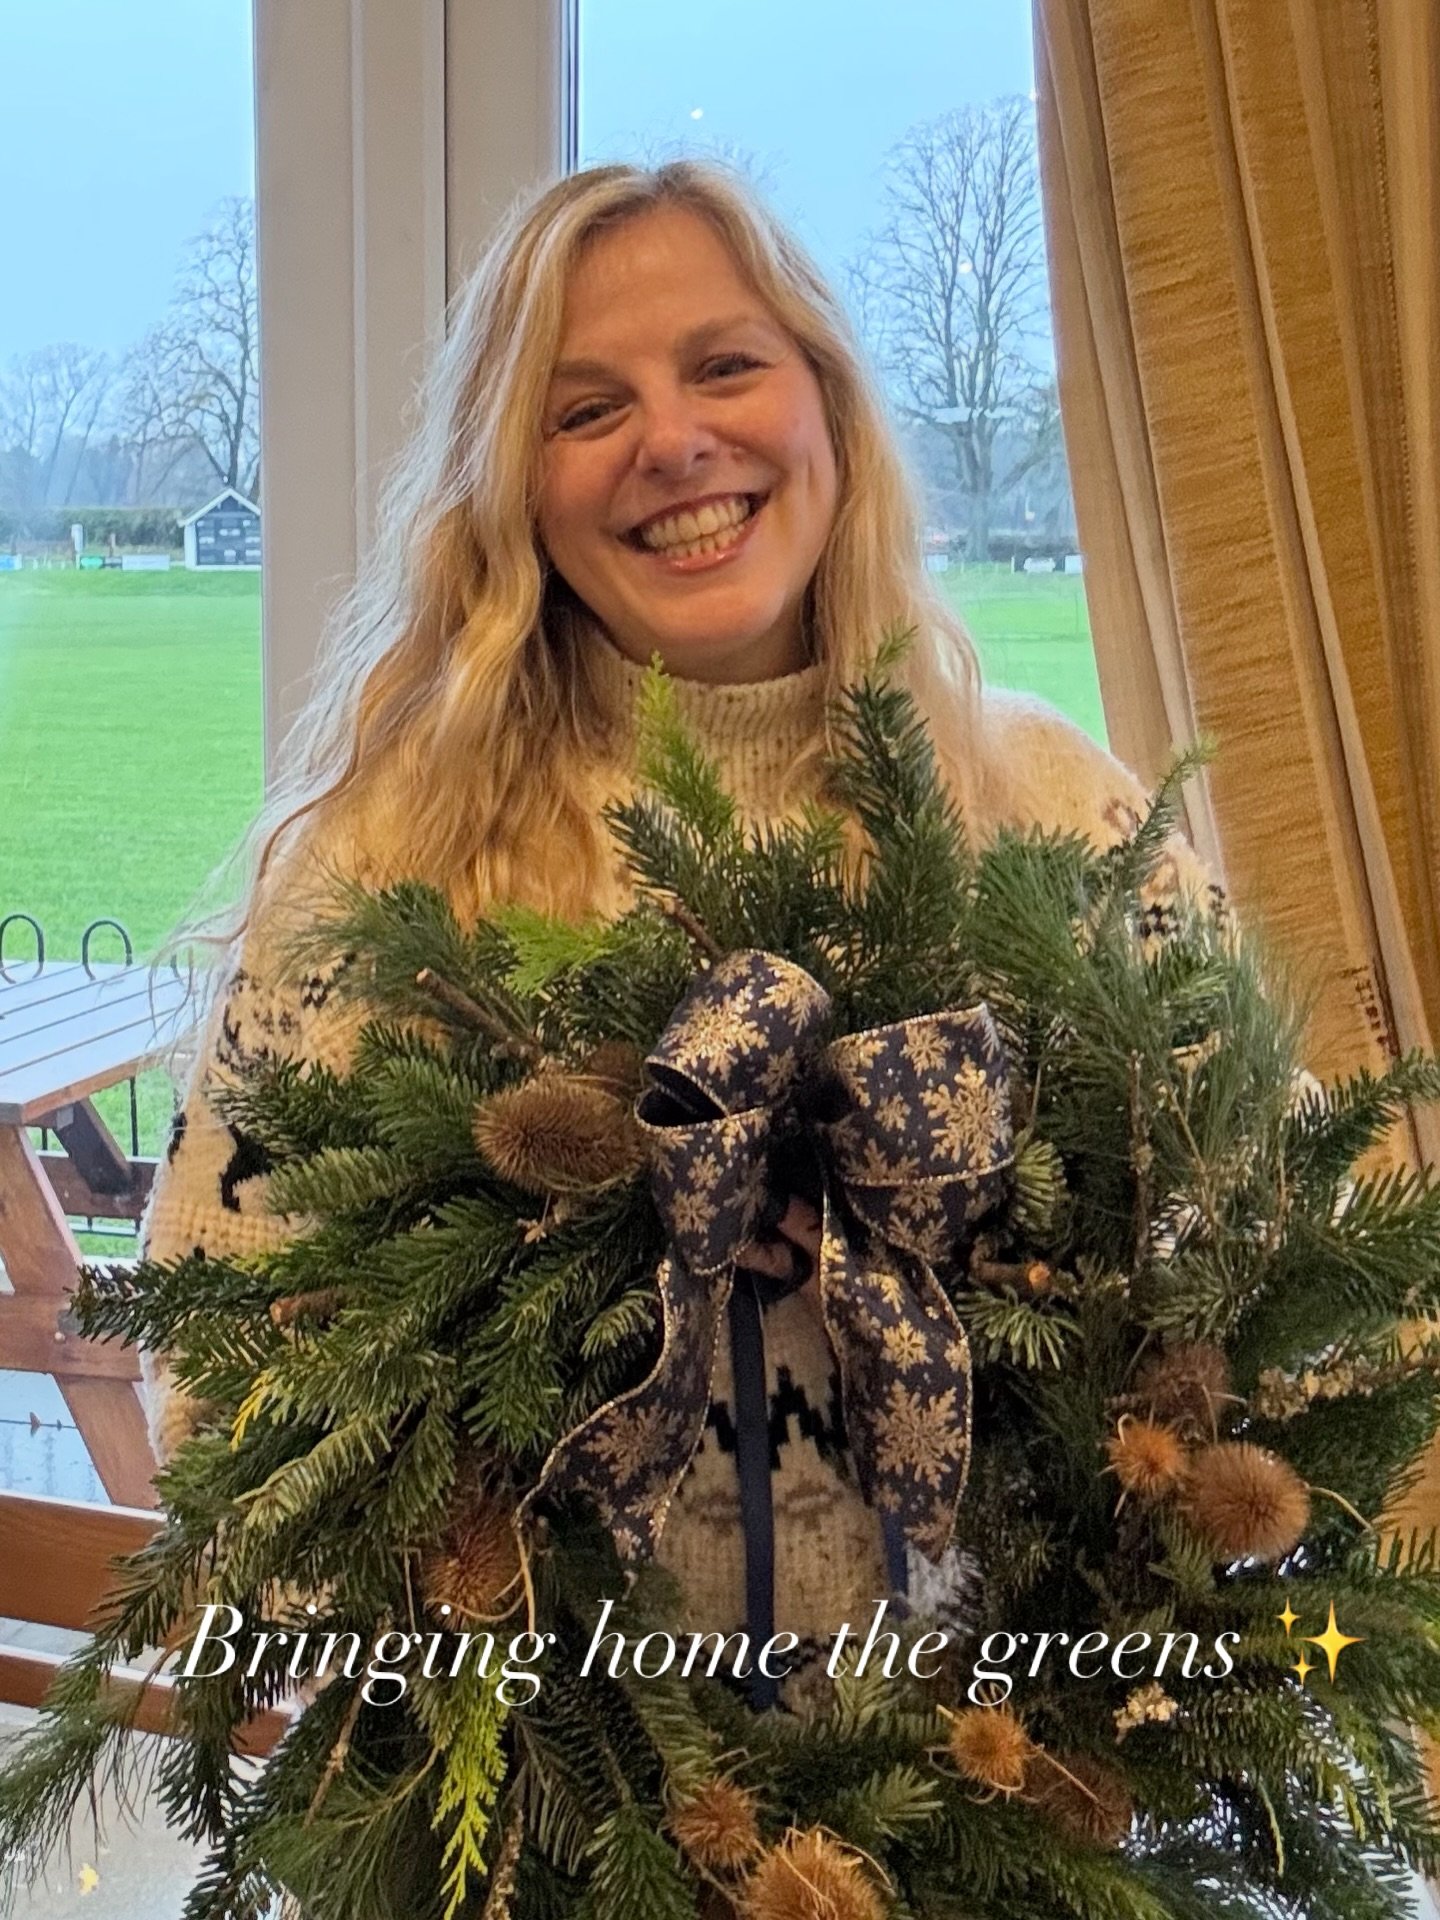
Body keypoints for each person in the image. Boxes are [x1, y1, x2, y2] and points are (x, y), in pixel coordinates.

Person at [139, 159, 1216, 1649]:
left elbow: (1255, 1224)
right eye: (585, 410)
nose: (675, 440)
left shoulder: (1050, 805)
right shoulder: (388, 860)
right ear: (514, 484)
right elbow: (217, 1354)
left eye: (725, 366)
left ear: (828, 407)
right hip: (538, 1813)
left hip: (1008, 1766)